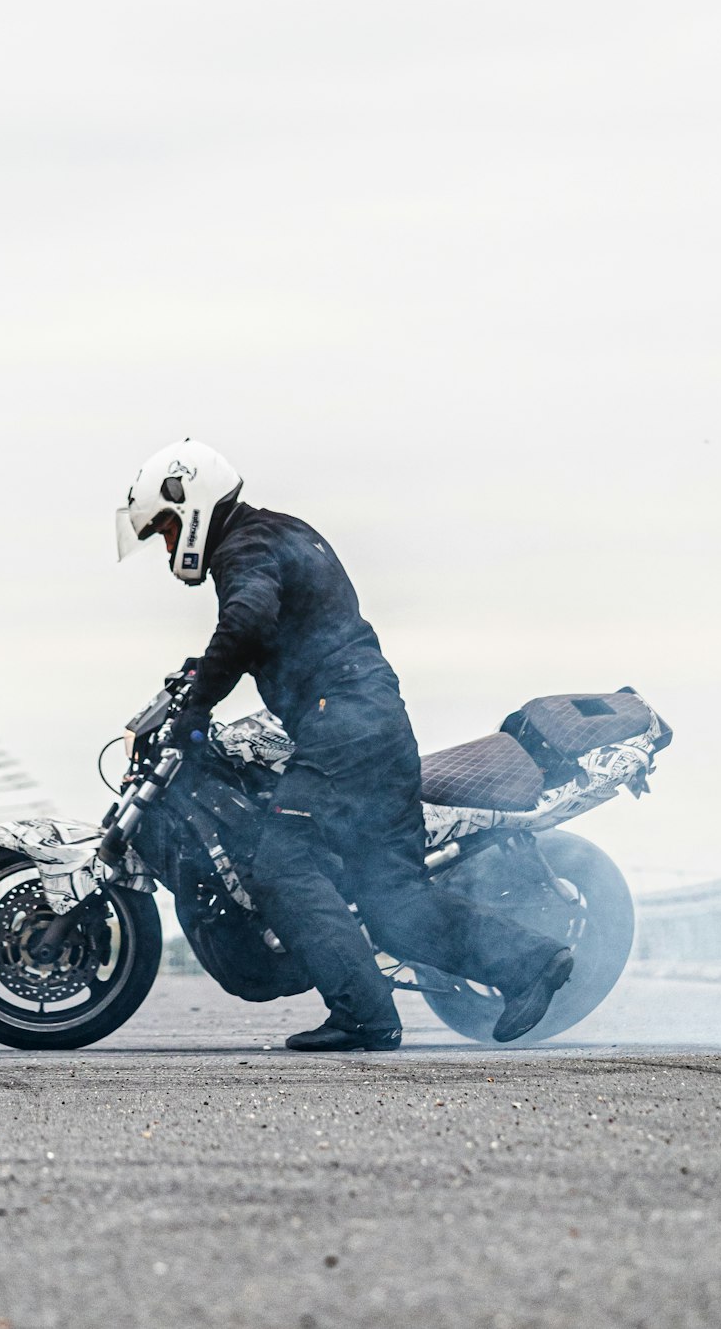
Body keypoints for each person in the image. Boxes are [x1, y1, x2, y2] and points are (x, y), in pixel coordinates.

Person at [116, 438, 573, 1052]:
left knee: (280, 866)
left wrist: (197, 707)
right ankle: (531, 964)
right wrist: (201, 672)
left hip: (342, 722)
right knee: (392, 898)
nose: (169, 546)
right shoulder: (283, 533)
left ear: (189, 501)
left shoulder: (244, 547)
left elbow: (247, 622)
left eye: (167, 530)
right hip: (378, 722)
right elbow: (278, 630)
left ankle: (365, 1017)